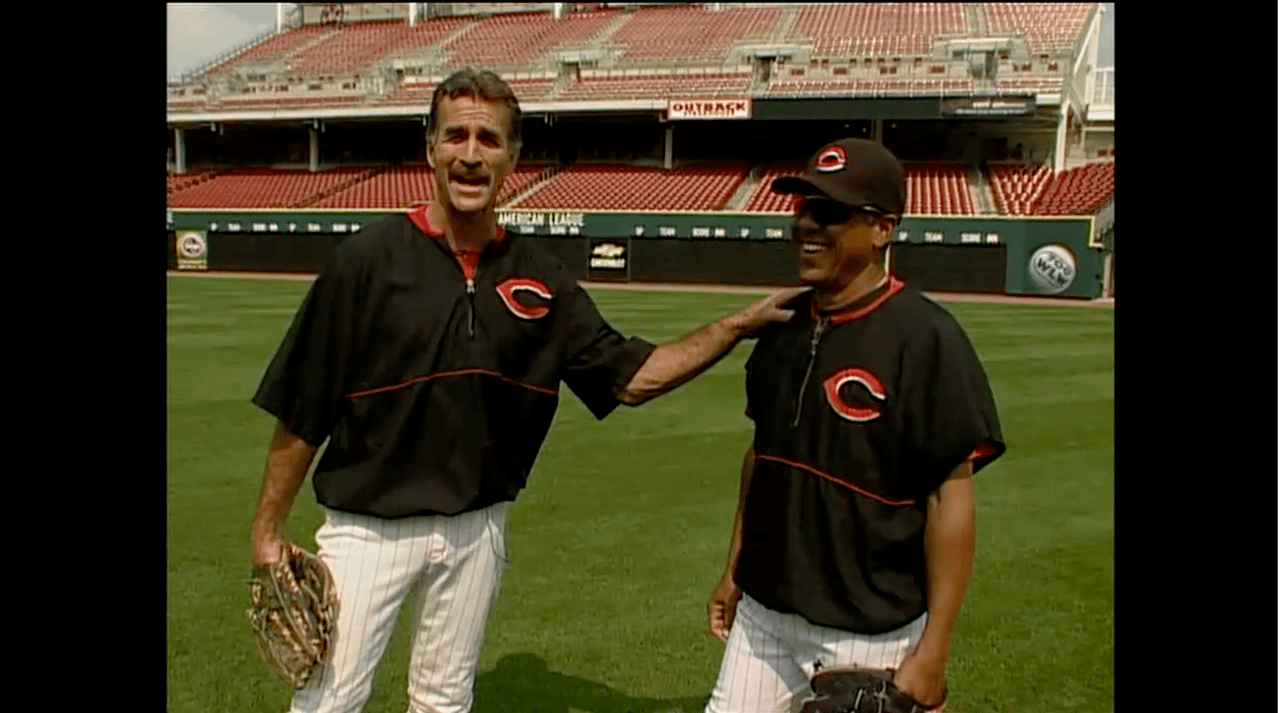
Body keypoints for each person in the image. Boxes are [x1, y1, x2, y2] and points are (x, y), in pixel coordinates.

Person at [248, 67, 807, 713]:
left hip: (476, 528)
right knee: (329, 699)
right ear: (430, 147)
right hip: (368, 529)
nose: (470, 152)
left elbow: (634, 377)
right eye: (455, 135)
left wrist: (738, 324)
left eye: (489, 139)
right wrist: (267, 533)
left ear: (513, 157)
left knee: (443, 699)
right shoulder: (365, 260)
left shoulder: (541, 279)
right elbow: (301, 408)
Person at [702, 138, 1006, 713]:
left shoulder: (926, 338)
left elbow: (951, 497)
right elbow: (761, 456)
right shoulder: (781, 327)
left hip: (868, 634)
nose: (808, 225)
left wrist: (933, 652)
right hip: (764, 618)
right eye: (803, 208)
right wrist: (735, 568)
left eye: (831, 212)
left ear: (881, 229)